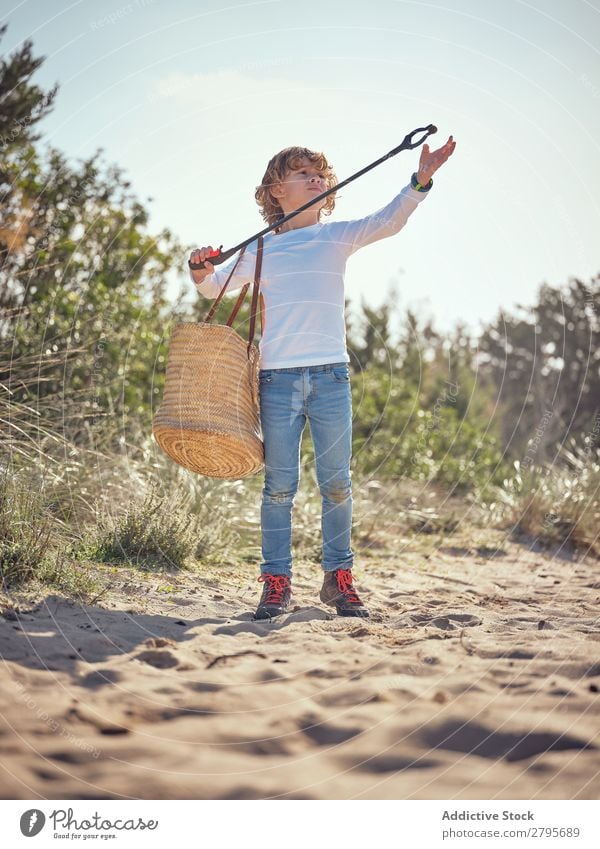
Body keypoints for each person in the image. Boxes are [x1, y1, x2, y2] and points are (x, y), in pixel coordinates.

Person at [189, 135, 456, 621]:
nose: (316, 179)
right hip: (278, 380)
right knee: (279, 488)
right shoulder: (262, 251)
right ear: (276, 191)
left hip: (332, 376)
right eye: (302, 174)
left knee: (337, 484)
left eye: (320, 174)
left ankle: (339, 580)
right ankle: (276, 582)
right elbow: (213, 284)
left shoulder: (337, 236)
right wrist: (198, 265)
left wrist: (421, 179)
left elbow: (389, 221)